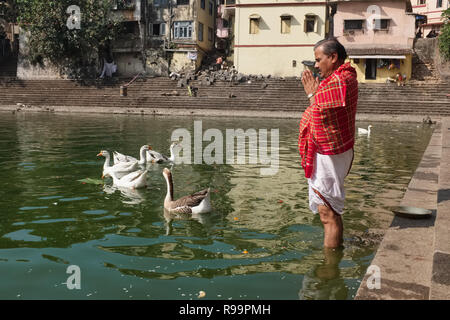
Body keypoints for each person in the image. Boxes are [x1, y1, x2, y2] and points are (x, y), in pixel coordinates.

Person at [299, 38, 358, 248]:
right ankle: (337, 249)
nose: (315, 65)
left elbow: (318, 114)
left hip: (330, 151)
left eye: (318, 59)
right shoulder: (342, 77)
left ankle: (328, 269)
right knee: (330, 208)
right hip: (334, 149)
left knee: (327, 214)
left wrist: (312, 94)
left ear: (333, 58)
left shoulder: (339, 81)